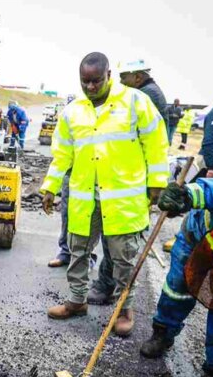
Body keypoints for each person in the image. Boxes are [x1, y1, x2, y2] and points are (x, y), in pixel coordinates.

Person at [40, 52, 169, 336]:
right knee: (78, 251)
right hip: (85, 197)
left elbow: (157, 143)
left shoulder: (136, 102)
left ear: (109, 74)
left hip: (123, 198)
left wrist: (158, 182)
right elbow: (62, 154)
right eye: (85, 81)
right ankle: (76, 301)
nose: (90, 87)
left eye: (96, 81)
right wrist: (49, 186)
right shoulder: (73, 111)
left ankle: (124, 309)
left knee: (123, 258)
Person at [140, 177, 213, 377]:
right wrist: (183, 197)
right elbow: (204, 191)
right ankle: (162, 333)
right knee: (177, 292)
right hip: (196, 244)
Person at [89, 59, 172, 304]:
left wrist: (154, 182)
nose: (120, 81)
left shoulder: (142, 97)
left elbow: (155, 144)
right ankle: (109, 287)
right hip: (128, 181)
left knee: (120, 239)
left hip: (131, 184)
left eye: (124, 77)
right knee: (117, 238)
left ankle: (111, 290)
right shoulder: (144, 93)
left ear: (137, 77)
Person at [119, 59, 169, 129]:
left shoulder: (146, 93)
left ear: (138, 77)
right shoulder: (149, 89)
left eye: (123, 78)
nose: (121, 82)